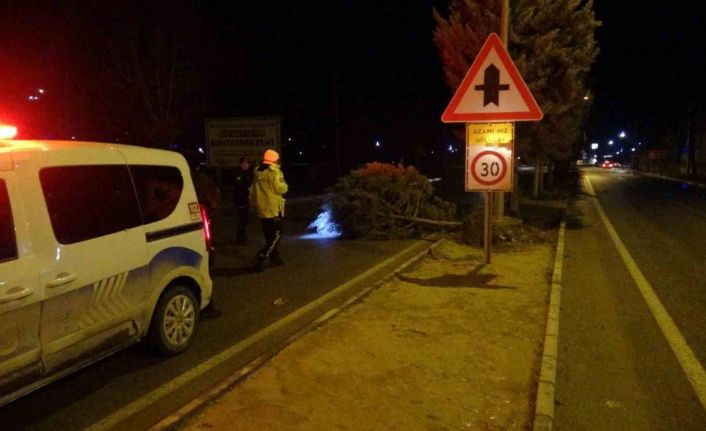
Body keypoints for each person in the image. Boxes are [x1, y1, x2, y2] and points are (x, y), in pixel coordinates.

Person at [250, 149, 288, 271]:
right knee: (276, 235)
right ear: (275, 159)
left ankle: (274, 258)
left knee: (268, 235)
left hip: (262, 208)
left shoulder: (258, 172)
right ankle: (261, 258)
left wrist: (254, 204)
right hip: (274, 208)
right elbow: (280, 188)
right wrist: (285, 186)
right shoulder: (275, 172)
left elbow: (252, 190)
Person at [232, 157, 253, 244]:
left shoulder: (249, 172)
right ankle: (240, 239)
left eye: (247, 163)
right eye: (244, 163)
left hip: (246, 199)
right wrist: (247, 189)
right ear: (240, 164)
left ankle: (243, 237)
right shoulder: (237, 173)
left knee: (245, 218)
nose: (245, 165)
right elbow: (239, 185)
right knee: (243, 218)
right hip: (240, 199)